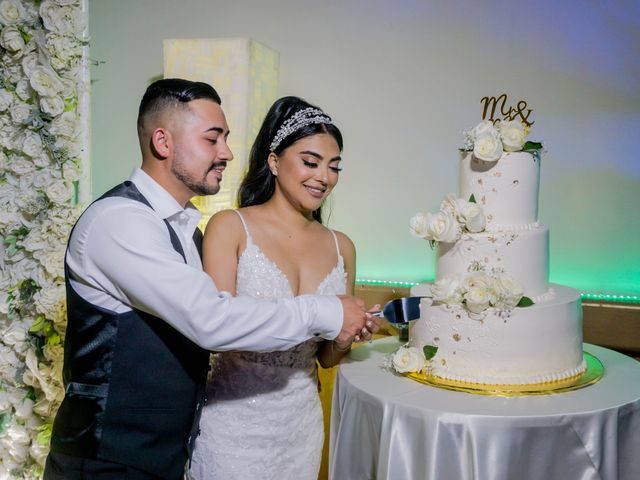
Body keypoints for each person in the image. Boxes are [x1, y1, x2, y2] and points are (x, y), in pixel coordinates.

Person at [43, 79, 377, 480]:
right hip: (108, 459)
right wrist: (327, 310)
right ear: (164, 142)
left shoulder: (188, 230)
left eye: (226, 139)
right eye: (212, 139)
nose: (227, 153)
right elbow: (211, 321)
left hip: (172, 452)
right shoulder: (119, 222)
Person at [189, 96, 374, 479]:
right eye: (310, 162)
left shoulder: (343, 246)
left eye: (333, 166)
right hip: (232, 425)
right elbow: (215, 332)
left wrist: (345, 337)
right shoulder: (230, 227)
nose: (323, 177)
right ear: (274, 161)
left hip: (301, 427)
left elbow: (325, 359)